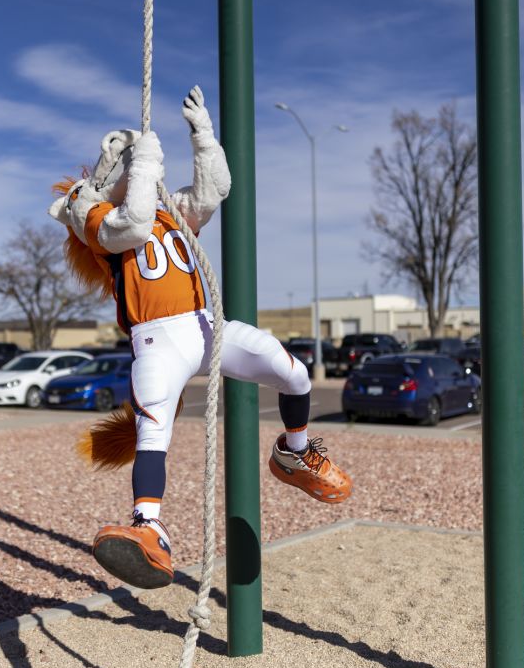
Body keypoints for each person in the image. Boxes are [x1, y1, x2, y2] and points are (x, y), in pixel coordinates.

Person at [47, 86, 352, 590]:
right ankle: (149, 529)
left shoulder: (169, 210)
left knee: (293, 374)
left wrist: (204, 138)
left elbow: (213, 192)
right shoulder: (97, 220)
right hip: (156, 339)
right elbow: (132, 223)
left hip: (206, 324)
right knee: (153, 431)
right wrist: (143, 164)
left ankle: (293, 452)